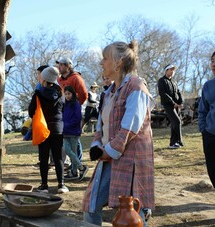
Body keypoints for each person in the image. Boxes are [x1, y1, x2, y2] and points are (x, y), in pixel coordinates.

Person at [82, 40, 155, 226]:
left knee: (130, 215)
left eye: (105, 58)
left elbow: (130, 128)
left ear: (118, 62)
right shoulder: (108, 93)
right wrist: (97, 146)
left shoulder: (136, 87)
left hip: (130, 161)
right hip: (108, 158)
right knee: (91, 205)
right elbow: (101, 125)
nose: (101, 63)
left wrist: (108, 151)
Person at [28, 66, 69, 194]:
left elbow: (31, 112)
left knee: (44, 157)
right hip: (58, 128)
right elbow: (63, 110)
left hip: (43, 128)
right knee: (58, 157)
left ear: (44, 79)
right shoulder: (61, 94)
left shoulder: (38, 94)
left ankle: (44, 185)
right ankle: (61, 184)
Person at [57, 56, 88, 163]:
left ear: (68, 66)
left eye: (61, 64)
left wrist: (76, 106)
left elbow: (84, 94)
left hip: (74, 110)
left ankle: (77, 162)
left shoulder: (76, 78)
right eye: (59, 64)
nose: (59, 67)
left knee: (75, 138)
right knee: (66, 137)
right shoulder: (59, 79)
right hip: (64, 110)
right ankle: (71, 162)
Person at [198, 51, 215, 190]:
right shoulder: (208, 86)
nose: (214, 64)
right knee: (213, 170)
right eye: (212, 61)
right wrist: (203, 130)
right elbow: (203, 110)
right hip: (211, 135)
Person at [62, 86, 89, 181]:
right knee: (68, 150)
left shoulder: (76, 104)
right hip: (65, 132)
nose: (67, 96)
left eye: (69, 93)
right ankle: (81, 168)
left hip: (73, 132)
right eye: (65, 94)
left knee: (72, 152)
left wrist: (66, 125)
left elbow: (77, 118)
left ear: (73, 94)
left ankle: (74, 172)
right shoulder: (64, 105)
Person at [158, 64, 184, 149]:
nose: (173, 72)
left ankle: (173, 143)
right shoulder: (161, 81)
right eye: (171, 70)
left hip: (176, 106)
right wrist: (173, 103)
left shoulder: (174, 82)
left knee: (174, 123)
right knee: (177, 121)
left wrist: (181, 102)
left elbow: (179, 93)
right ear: (166, 70)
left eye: (174, 70)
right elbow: (163, 94)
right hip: (168, 105)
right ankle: (179, 141)